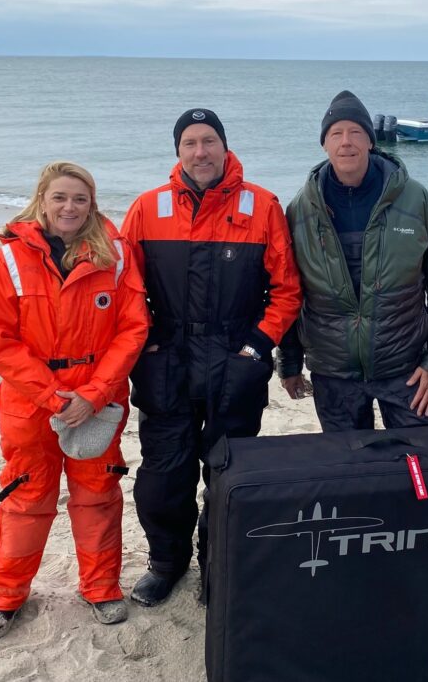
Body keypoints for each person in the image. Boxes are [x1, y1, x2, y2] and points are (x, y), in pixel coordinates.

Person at [121, 108, 301, 607]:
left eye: (209, 141)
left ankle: (217, 564)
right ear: (177, 152)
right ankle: (166, 563)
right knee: (163, 475)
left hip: (235, 361)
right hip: (168, 360)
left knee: (229, 474)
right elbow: (125, 285)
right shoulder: (146, 208)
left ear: (225, 146)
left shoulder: (261, 205)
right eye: (189, 144)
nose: (200, 153)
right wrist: (148, 336)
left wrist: (257, 346)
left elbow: (286, 291)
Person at [0, 161, 149, 638]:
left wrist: (92, 395)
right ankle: (5, 596)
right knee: (26, 499)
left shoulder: (115, 254)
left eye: (80, 198)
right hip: (30, 403)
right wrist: (55, 398)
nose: (69, 207)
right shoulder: (9, 258)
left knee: (98, 496)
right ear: (42, 200)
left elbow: (133, 328)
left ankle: (101, 588)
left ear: (91, 203)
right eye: (60, 198)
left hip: (99, 400)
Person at [278, 90, 428, 431]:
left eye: (356, 133)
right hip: (333, 373)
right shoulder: (300, 211)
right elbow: (288, 291)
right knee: (350, 477)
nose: (346, 142)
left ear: (370, 141)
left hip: (407, 368)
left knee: (422, 467)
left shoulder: (416, 199)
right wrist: (289, 361)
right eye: (336, 134)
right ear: (324, 145)